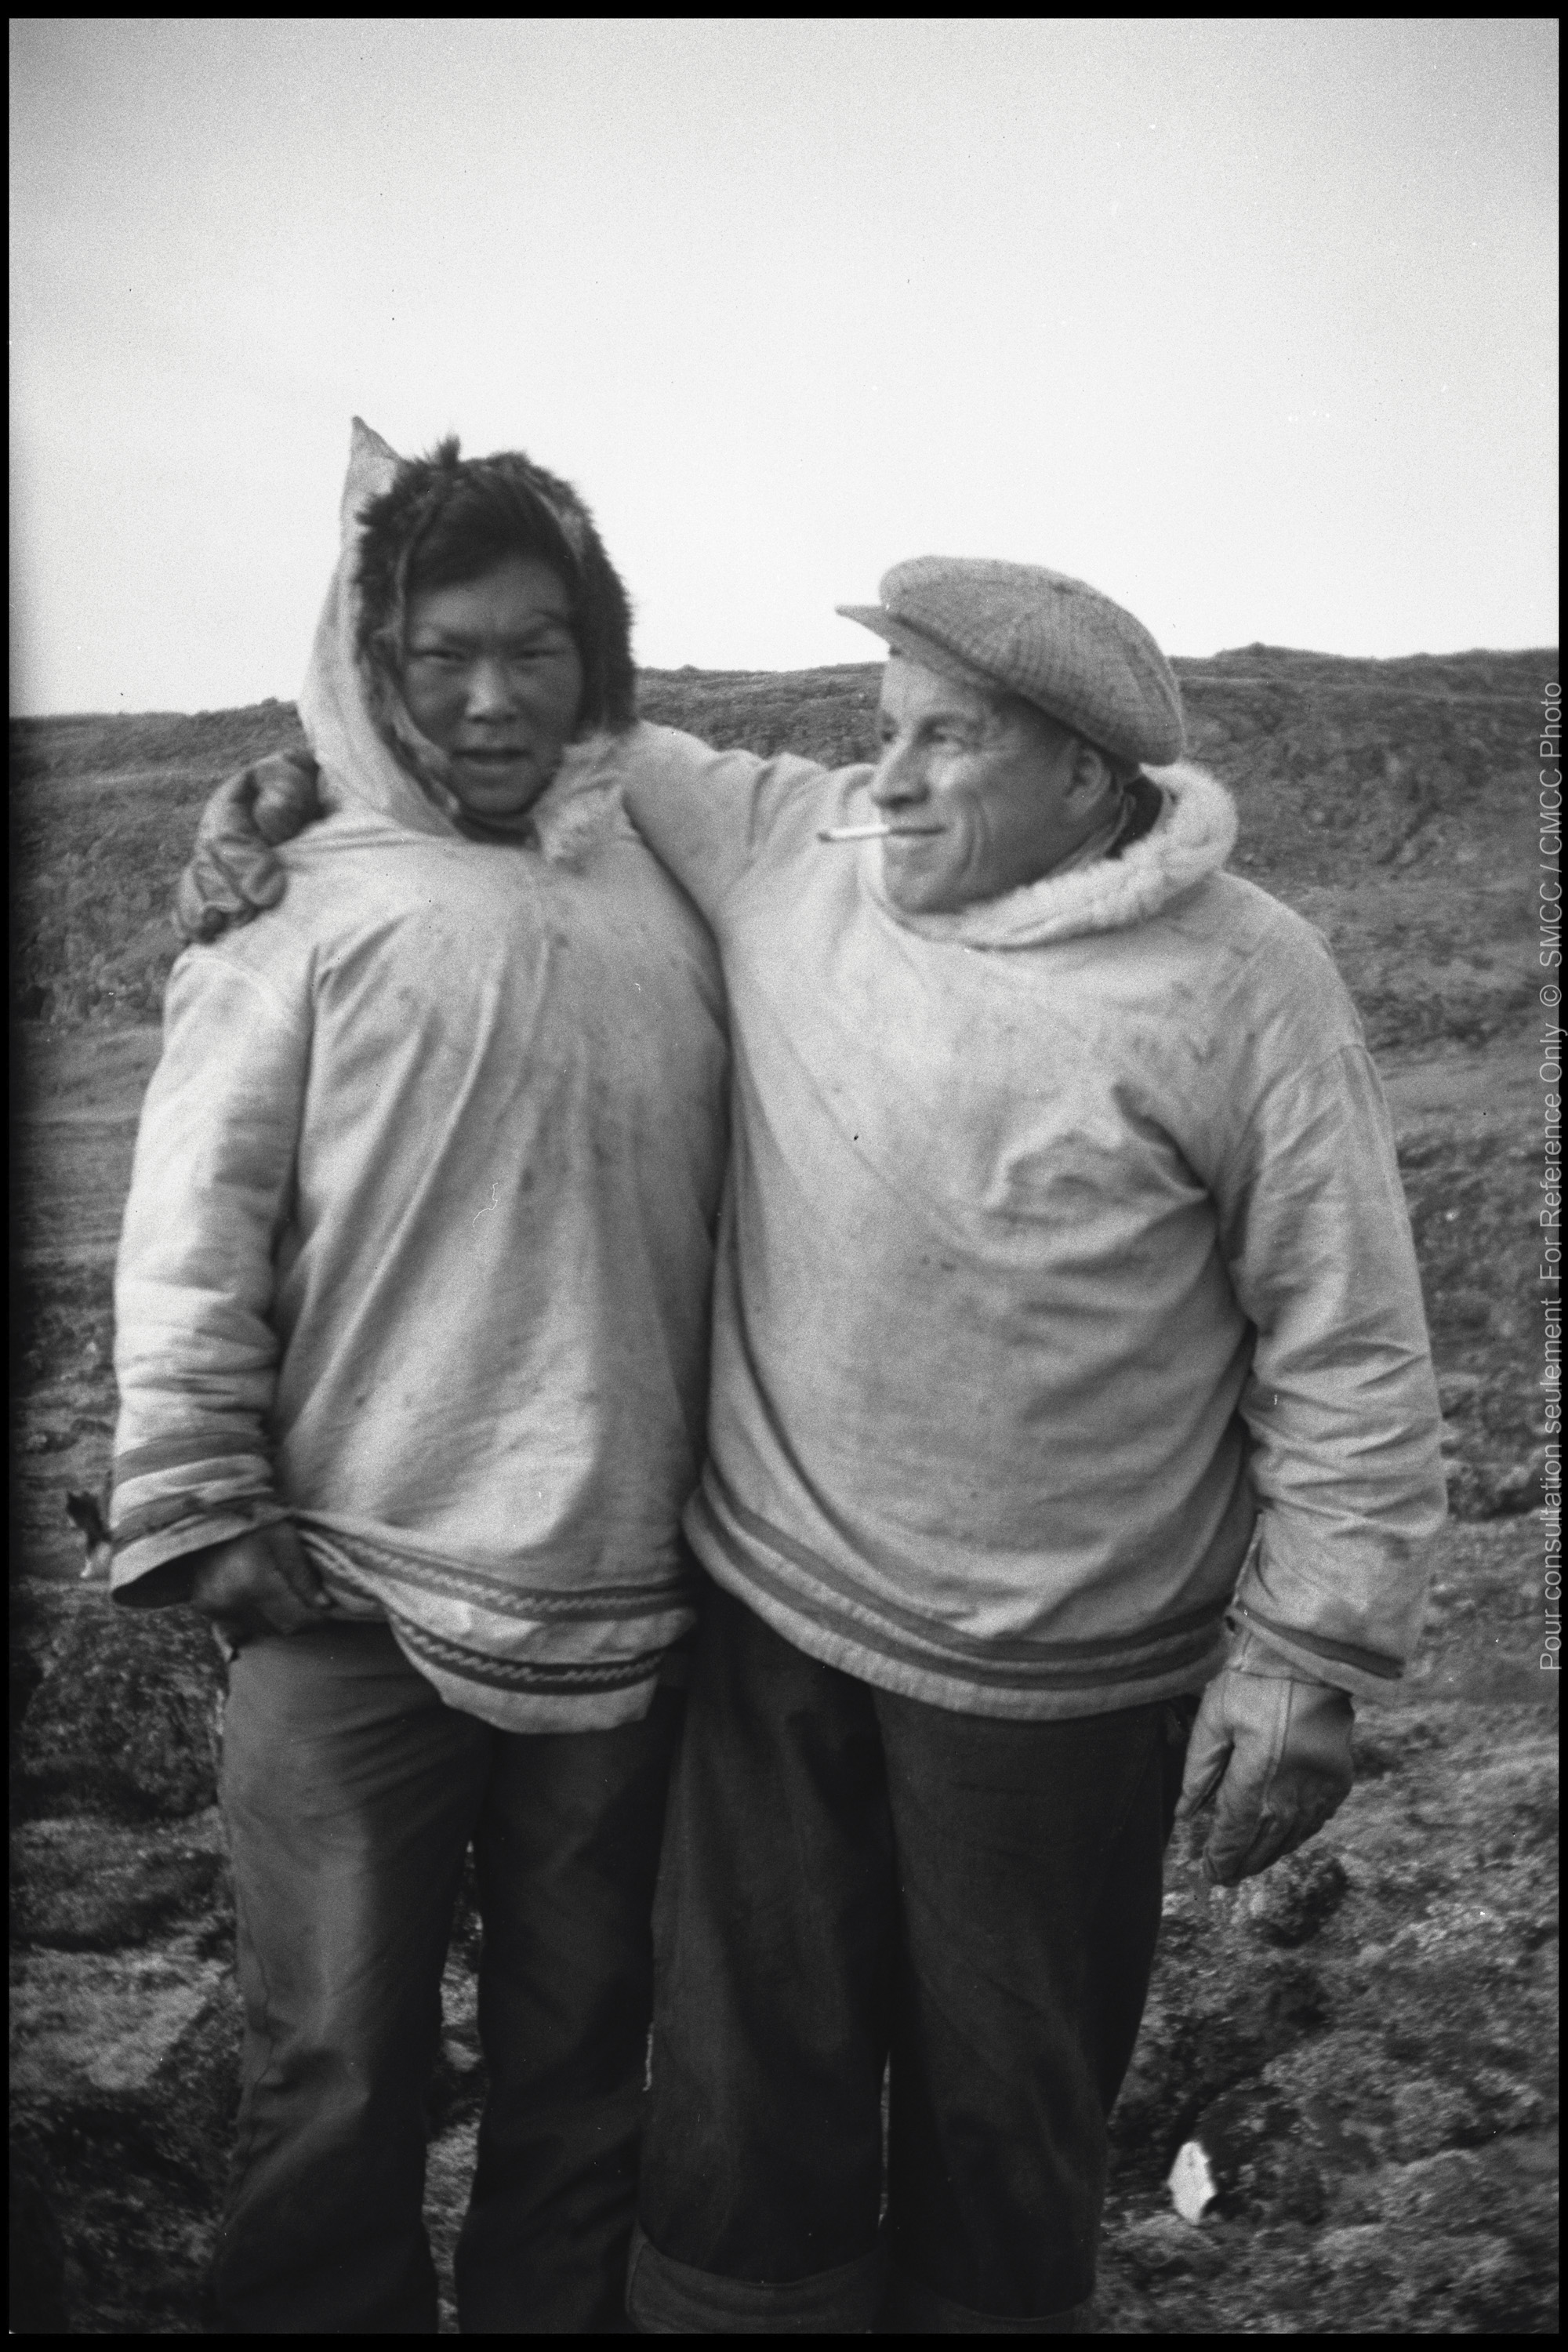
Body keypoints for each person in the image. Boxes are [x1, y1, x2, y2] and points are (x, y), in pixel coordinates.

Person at [184, 554, 1446, 2333]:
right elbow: (541, 730)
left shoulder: (1249, 983)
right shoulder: (802, 848)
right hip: (772, 1628)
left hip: (1061, 1683)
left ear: (1088, 782)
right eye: (884, 733)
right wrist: (297, 787)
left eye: (951, 742)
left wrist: (1308, 1653)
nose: (895, 779)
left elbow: (1349, 1335)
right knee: (739, 2091)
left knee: (1006, 2110)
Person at [111, 418, 729, 2333]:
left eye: (533, 647)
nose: (486, 697)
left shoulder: (668, 889)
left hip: (623, 1608)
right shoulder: (296, 906)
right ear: (370, 665)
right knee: (335, 2075)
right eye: (437, 653)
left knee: (582, 2076)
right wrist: (200, 1504)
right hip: (350, 1595)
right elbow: (191, 1223)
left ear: (595, 656)